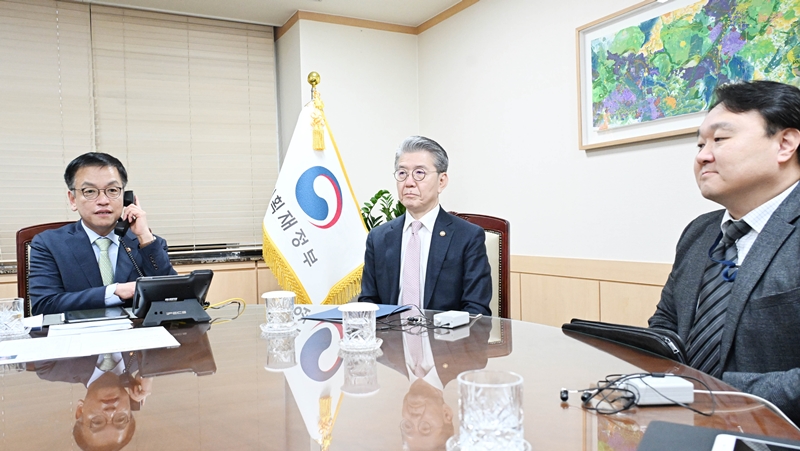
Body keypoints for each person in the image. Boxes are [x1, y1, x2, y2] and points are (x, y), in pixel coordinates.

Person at [649, 80, 800, 425]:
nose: (702, 155)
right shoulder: (699, 232)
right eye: (700, 143)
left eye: (720, 139)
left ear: (785, 144)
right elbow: (665, 326)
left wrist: (707, 389)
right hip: (681, 422)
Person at [359, 136, 492, 315]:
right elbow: (369, 303)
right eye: (402, 173)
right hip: (390, 340)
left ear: (441, 181)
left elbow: (476, 311)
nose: (409, 182)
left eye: (419, 173)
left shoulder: (467, 237)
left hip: (447, 340)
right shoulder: (378, 237)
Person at [29, 152, 176, 315]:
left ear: (126, 197)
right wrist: (114, 292)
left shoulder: (147, 243)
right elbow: (44, 305)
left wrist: (144, 237)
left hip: (137, 334)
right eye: (90, 191)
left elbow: (175, 297)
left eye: (112, 190)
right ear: (72, 200)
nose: (103, 200)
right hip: (77, 336)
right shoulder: (48, 244)